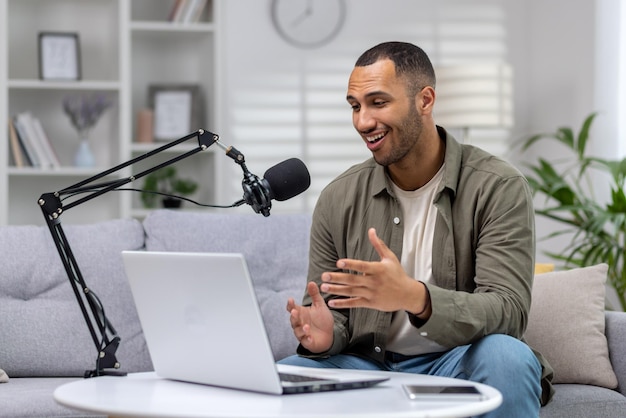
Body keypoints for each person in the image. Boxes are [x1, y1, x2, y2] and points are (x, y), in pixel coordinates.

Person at [279, 41, 554, 417]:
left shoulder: (497, 186)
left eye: (378, 102)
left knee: (507, 356)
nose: (362, 121)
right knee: (287, 375)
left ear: (425, 100)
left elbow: (508, 310)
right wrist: (325, 336)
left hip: (457, 362)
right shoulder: (337, 197)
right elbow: (332, 312)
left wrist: (416, 298)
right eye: (355, 106)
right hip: (367, 364)